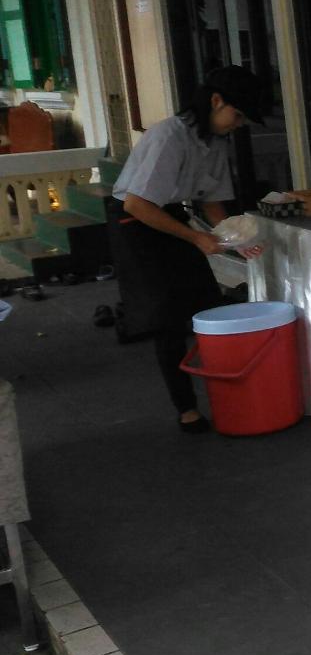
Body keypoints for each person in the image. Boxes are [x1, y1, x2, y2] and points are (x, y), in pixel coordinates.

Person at [108, 66, 266, 434]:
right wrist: (197, 239)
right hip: (136, 222)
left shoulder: (215, 142)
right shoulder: (168, 136)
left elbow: (212, 202)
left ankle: (228, 390)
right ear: (216, 101)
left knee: (207, 304)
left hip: (171, 215)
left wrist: (235, 239)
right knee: (166, 317)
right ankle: (186, 409)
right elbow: (137, 204)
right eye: (237, 115)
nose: (238, 124)